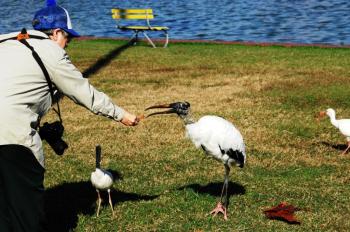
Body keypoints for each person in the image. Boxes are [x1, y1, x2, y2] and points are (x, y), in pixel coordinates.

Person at [0, 1, 139, 231]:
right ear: (56, 33)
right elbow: (86, 94)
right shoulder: (51, 51)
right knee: (25, 214)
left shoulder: (7, 41)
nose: (67, 46)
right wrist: (122, 115)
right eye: (68, 39)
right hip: (11, 137)